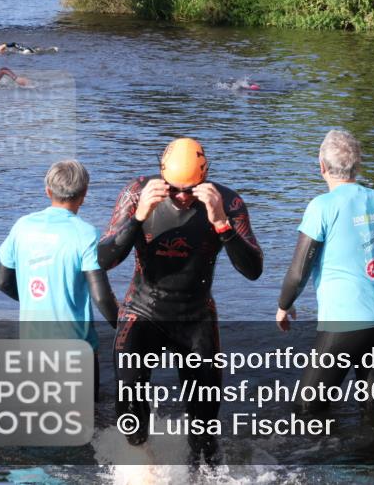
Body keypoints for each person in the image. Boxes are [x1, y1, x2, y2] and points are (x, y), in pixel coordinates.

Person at [98, 137, 263, 462]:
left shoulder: (226, 202)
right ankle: (142, 471)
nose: (183, 197)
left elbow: (254, 270)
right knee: (130, 415)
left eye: (191, 189)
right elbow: (104, 259)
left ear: (205, 178)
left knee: (204, 428)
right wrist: (139, 217)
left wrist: (221, 225)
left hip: (195, 317)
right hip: (142, 313)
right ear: (163, 177)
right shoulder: (138, 193)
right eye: (175, 189)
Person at [277, 129, 374, 417]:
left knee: (306, 411)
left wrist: (284, 305)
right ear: (358, 165)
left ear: (321, 166)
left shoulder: (321, 207)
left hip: (342, 326)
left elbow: (299, 269)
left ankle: (322, 460)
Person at [0, 160, 119, 399]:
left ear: (47, 191)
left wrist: (37, 301)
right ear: (84, 194)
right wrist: (123, 326)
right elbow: (101, 296)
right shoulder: (87, 235)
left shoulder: (22, 227)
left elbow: (2, 282)